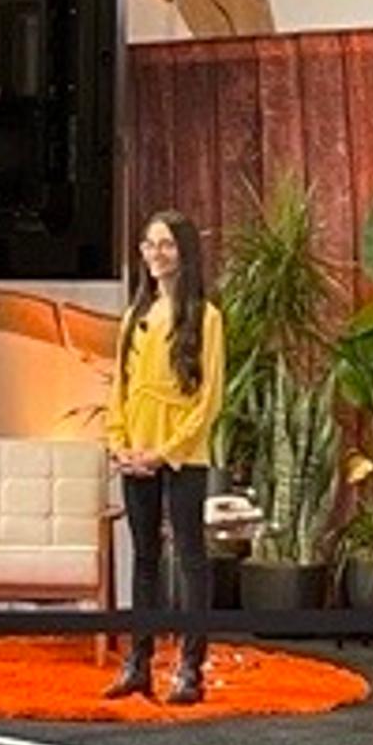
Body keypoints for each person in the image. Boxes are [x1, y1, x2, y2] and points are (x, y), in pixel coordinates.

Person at [103, 208, 225, 706]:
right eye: (149, 244)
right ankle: (138, 664)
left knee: (191, 560)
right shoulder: (136, 317)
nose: (156, 253)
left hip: (182, 458)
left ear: (184, 251)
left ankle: (191, 669)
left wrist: (164, 453)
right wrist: (121, 445)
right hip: (135, 456)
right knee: (145, 561)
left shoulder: (207, 317)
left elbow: (209, 399)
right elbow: (120, 389)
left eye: (167, 244)